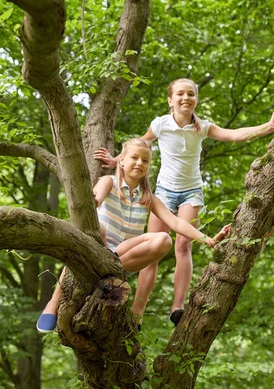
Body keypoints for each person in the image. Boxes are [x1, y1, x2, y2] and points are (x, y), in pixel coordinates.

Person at [94, 78, 274, 326]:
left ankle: (177, 307)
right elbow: (138, 146)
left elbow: (233, 135)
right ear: (170, 100)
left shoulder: (202, 127)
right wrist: (115, 160)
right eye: (180, 94)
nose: (186, 98)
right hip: (162, 192)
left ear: (196, 100)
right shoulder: (160, 124)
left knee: (183, 245)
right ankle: (137, 313)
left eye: (191, 94)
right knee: (154, 254)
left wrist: (267, 127)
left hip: (191, 192)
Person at [36, 138, 230, 333]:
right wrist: (90, 200)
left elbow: (176, 222)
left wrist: (207, 239)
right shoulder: (108, 182)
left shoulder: (148, 198)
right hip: (98, 246)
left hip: (122, 256)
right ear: (121, 161)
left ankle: (112, 273)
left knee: (163, 239)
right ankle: (53, 303)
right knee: (100, 229)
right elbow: (96, 197)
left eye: (145, 160)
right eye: (134, 158)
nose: (139, 163)